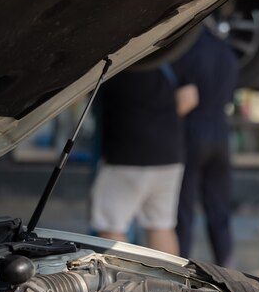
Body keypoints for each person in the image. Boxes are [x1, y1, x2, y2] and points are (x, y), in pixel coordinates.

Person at [89, 66, 198, 255]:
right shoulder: (169, 54)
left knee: (111, 227)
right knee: (161, 225)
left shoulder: (115, 59)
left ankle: (117, 283)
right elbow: (190, 98)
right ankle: (169, 284)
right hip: (168, 156)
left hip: (125, 156)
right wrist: (158, 119)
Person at [173, 29, 238, 267]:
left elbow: (183, 93)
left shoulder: (186, 47)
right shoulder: (226, 50)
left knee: (184, 210)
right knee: (220, 209)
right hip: (221, 130)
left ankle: (180, 265)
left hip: (192, 129)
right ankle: (226, 265)